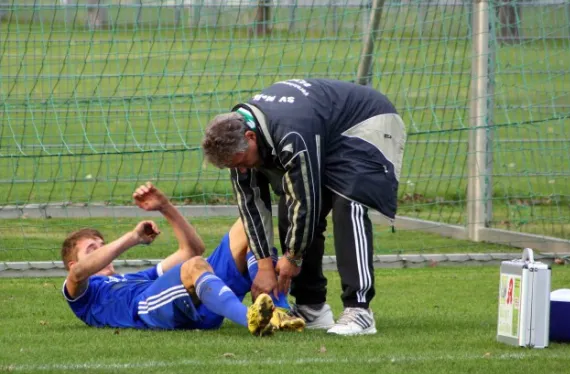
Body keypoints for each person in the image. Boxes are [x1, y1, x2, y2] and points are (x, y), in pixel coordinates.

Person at [202, 78, 406, 335]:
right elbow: (251, 207)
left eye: (241, 161)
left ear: (251, 137)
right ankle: (312, 308)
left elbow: (307, 199)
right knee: (290, 210)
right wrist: (265, 267)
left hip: (367, 122)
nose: (240, 170)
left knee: (349, 202)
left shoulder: (290, 133)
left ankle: (359, 309)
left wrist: (292, 257)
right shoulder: (238, 149)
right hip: (326, 130)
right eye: (232, 166)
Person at [61, 182, 305, 335]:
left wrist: (165, 207)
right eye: (91, 249)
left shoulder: (134, 279)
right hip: (149, 310)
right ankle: (250, 319)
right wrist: (133, 237)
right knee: (193, 267)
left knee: (249, 226)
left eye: (101, 246)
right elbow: (78, 274)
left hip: (189, 302)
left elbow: (192, 249)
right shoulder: (84, 294)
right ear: (73, 263)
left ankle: (279, 310)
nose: (101, 251)